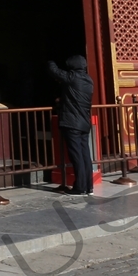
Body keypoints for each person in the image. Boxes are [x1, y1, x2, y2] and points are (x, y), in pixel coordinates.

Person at [46, 55, 95, 195]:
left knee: (76, 155)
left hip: (72, 122)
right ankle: (88, 186)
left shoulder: (72, 77)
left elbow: (54, 70)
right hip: (84, 122)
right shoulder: (88, 80)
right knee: (85, 154)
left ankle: (79, 187)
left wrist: (49, 59)